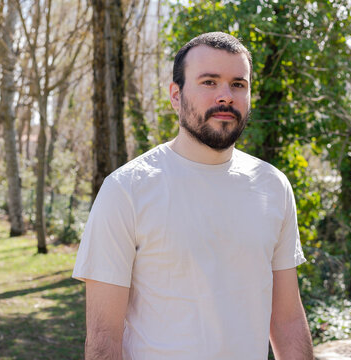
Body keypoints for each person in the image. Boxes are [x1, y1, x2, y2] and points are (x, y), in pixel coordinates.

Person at [73, 32, 314, 359]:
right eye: (209, 82)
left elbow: (287, 321)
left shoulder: (272, 186)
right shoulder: (127, 190)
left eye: (238, 84)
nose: (226, 96)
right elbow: (104, 340)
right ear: (176, 95)